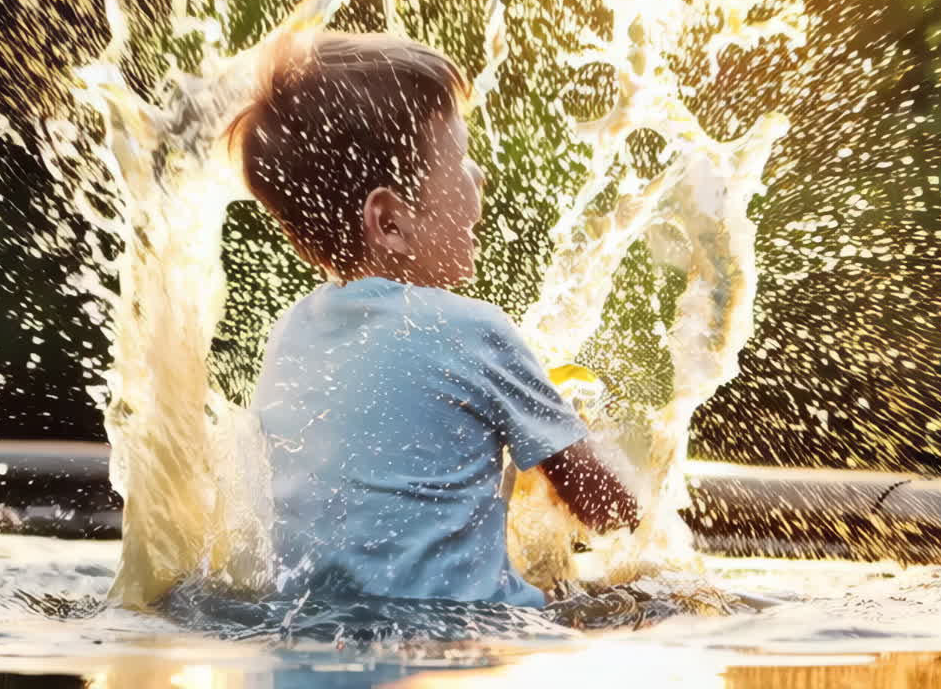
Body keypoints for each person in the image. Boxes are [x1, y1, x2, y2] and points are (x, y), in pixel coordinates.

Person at [225, 30, 639, 608]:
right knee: (658, 603)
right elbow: (610, 508)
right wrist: (579, 429)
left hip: (309, 630)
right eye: (461, 161)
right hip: (467, 635)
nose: (478, 180)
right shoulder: (471, 330)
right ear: (390, 221)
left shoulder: (290, 332)